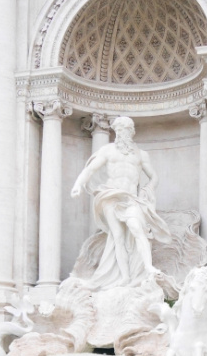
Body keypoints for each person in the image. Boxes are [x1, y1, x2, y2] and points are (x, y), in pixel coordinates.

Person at [70, 116, 172, 289]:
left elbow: (154, 176)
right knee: (117, 236)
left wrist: (149, 188)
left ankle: (148, 267)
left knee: (137, 228)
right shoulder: (108, 150)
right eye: (117, 130)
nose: (119, 133)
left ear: (131, 131)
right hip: (111, 195)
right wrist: (77, 184)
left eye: (123, 129)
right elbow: (90, 169)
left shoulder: (141, 154)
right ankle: (125, 277)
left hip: (131, 198)